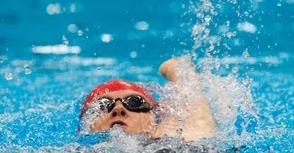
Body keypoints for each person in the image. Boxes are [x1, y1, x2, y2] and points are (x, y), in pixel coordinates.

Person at [79, 55, 216, 142]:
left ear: (154, 120)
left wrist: (173, 69)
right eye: (102, 106)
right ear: (86, 127)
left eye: (134, 102)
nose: (118, 109)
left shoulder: (174, 142)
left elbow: (186, 81)